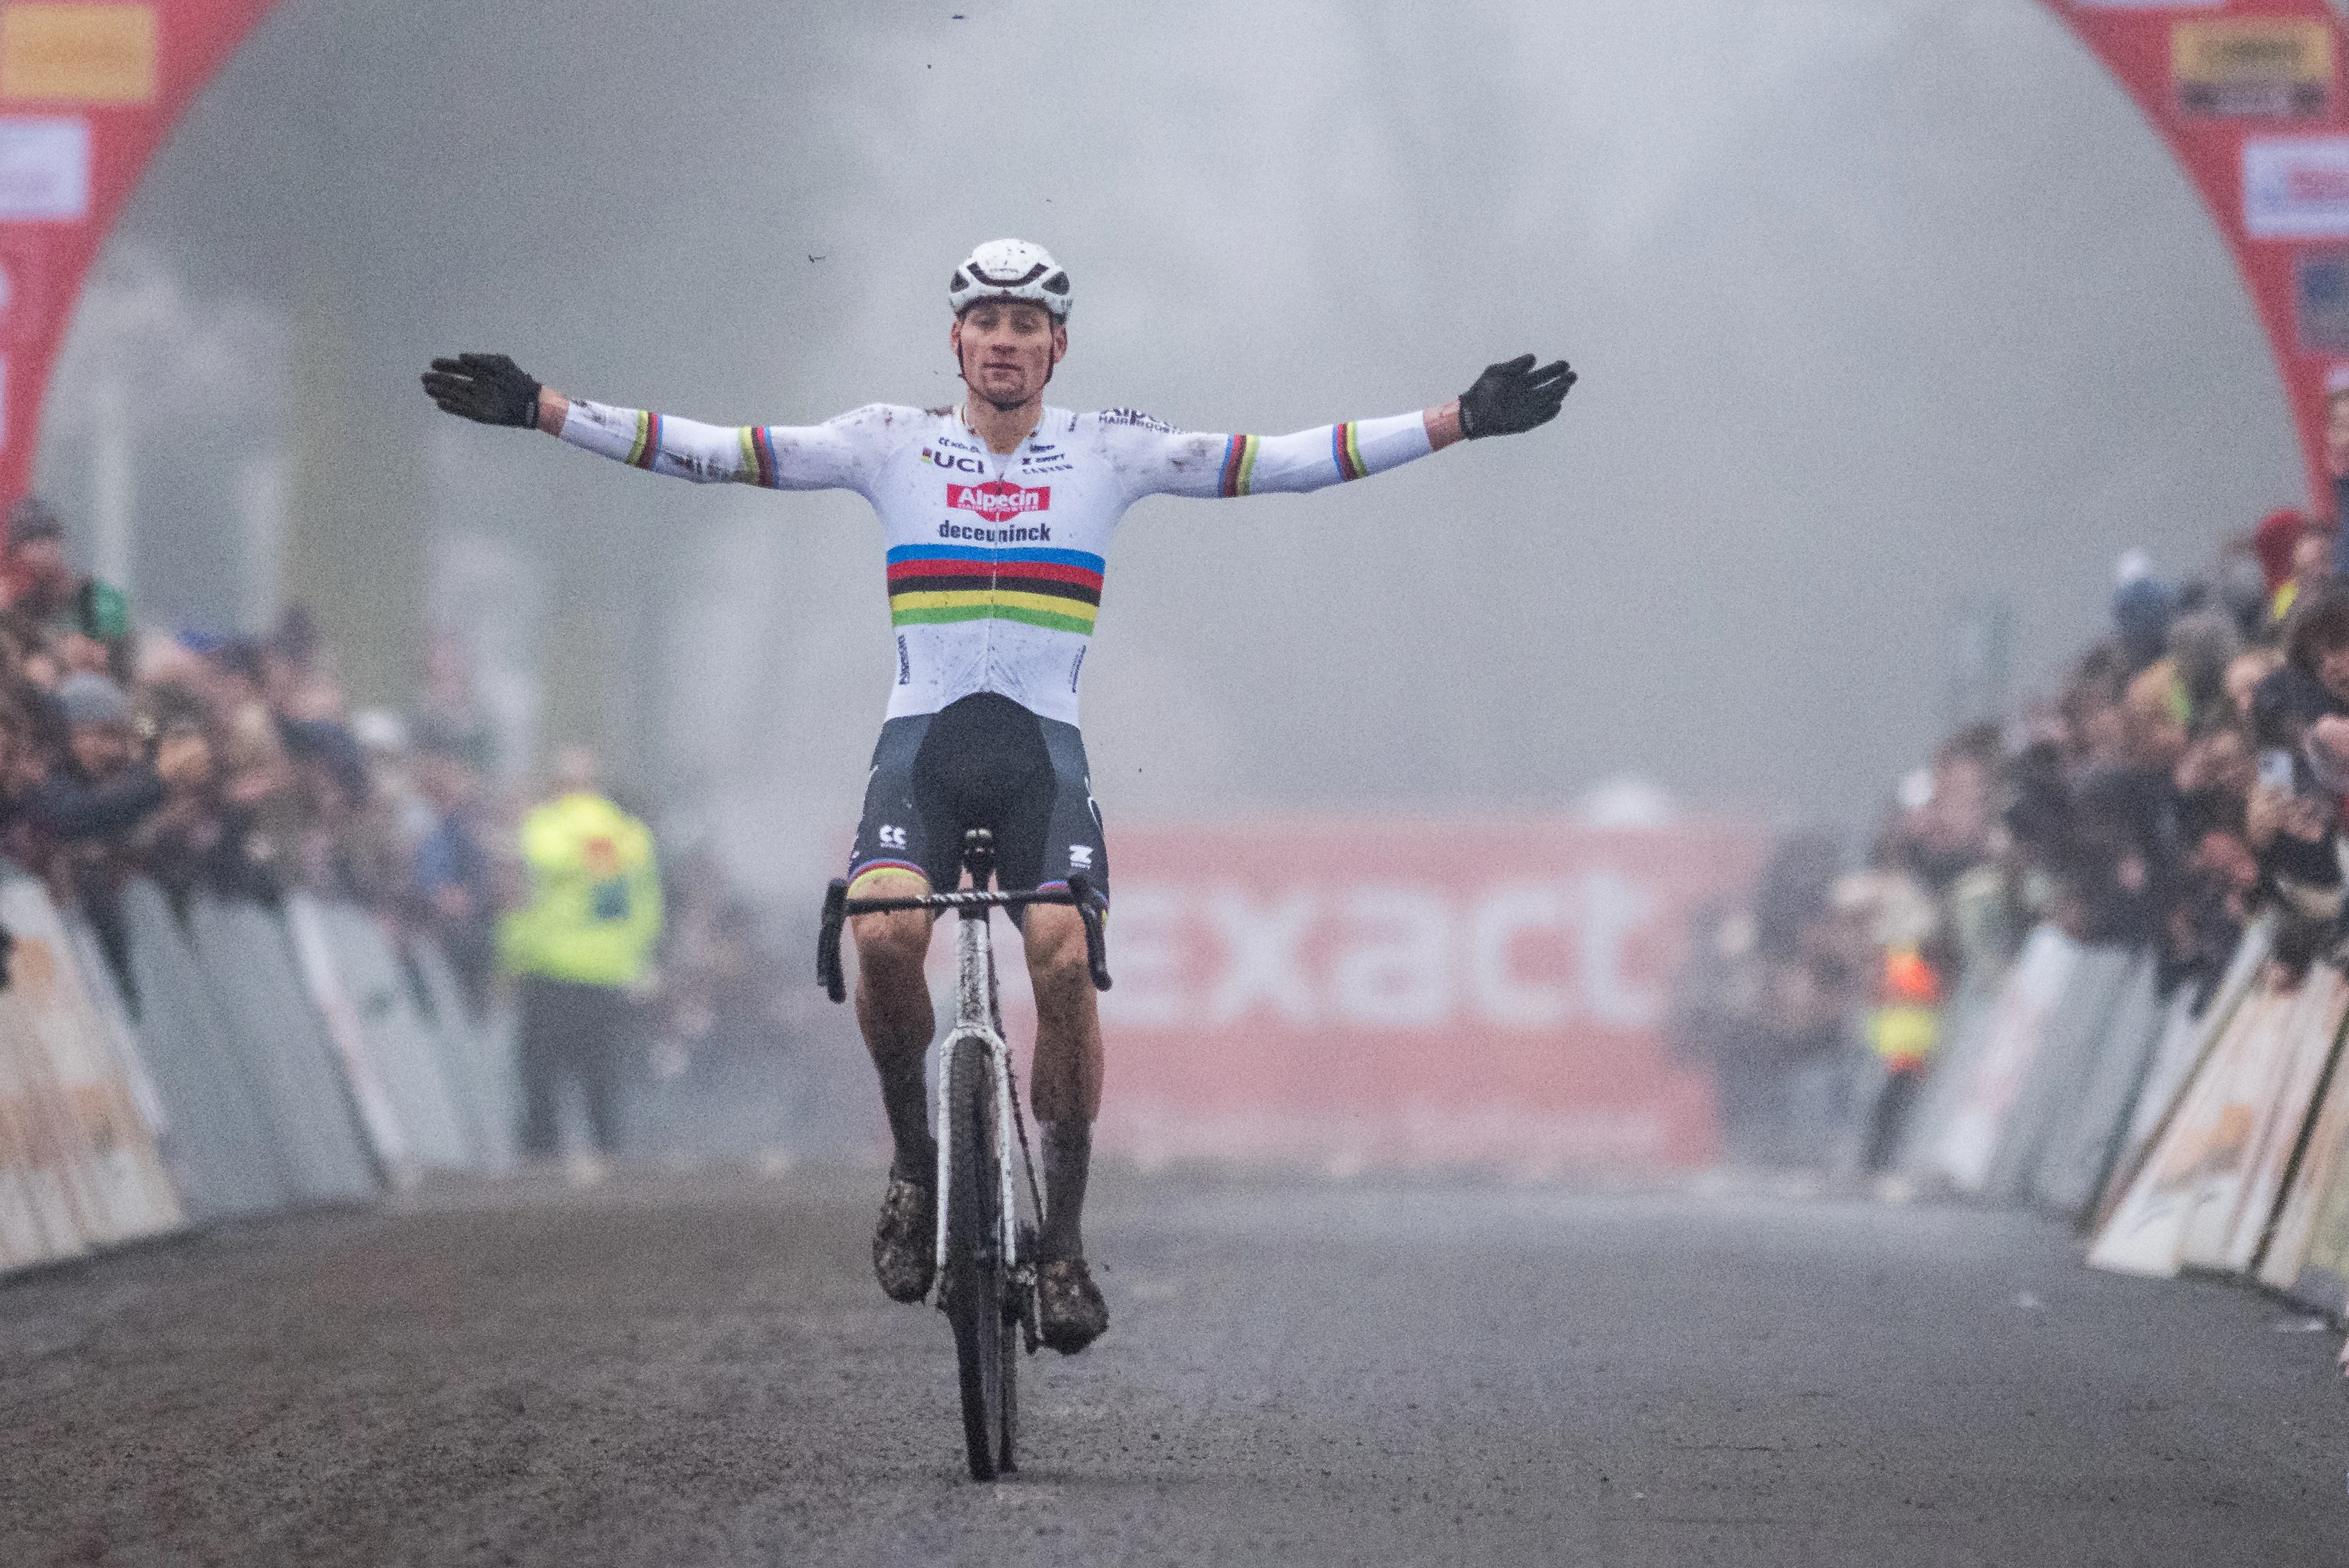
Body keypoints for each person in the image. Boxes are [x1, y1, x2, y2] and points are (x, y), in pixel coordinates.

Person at [423, 237, 1575, 1351]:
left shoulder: (1110, 451)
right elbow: (718, 450)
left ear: (1058, 346)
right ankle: (916, 1168)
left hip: (1042, 755)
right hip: (921, 745)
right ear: (957, 341)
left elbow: (1277, 458)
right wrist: (544, 409)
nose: (1006, 343)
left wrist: (1456, 421)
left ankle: (1063, 1244)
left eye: (1028, 325)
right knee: (881, 936)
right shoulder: (887, 443)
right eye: (986, 322)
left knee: (1064, 954)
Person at [500, 746, 663, 1174]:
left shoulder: (540, 830)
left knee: (540, 1079)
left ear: (558, 784)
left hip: (548, 971)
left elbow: (518, 903)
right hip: (608, 975)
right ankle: (609, 1175)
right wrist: (633, 960)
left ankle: (542, 1173)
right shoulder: (629, 836)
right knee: (602, 1081)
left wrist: (509, 960)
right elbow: (646, 909)